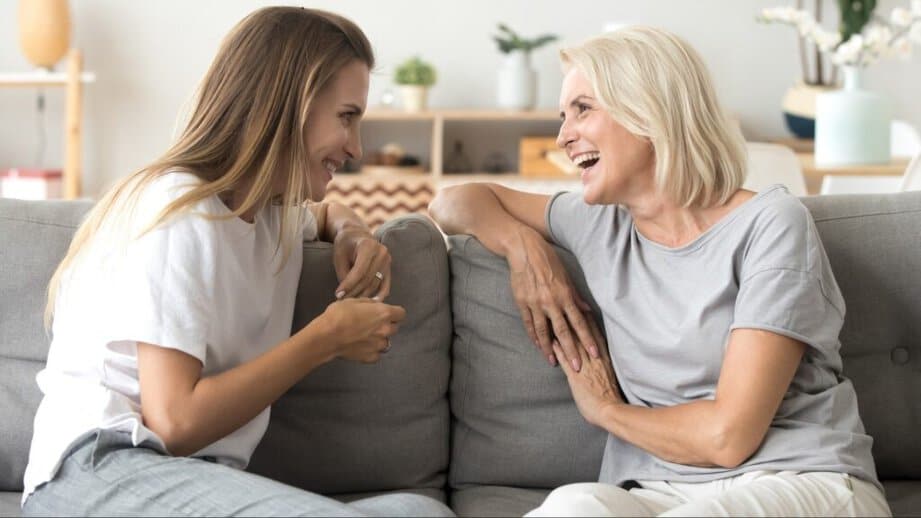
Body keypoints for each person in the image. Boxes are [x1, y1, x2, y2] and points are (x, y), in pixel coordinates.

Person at [429, 26, 891, 517]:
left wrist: (606, 411)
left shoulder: (770, 224)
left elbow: (727, 437)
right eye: (563, 116)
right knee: (572, 506)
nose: (563, 135)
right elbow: (452, 201)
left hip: (797, 477)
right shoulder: (597, 224)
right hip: (659, 492)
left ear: (648, 111)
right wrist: (523, 249)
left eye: (583, 109)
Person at [22, 7, 453, 517]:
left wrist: (353, 232)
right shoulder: (178, 210)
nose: (356, 148)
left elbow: (324, 212)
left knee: (421, 512)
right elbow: (174, 422)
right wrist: (325, 339)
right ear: (288, 104)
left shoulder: (266, 213)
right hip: (101, 467)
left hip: (187, 476)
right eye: (346, 117)